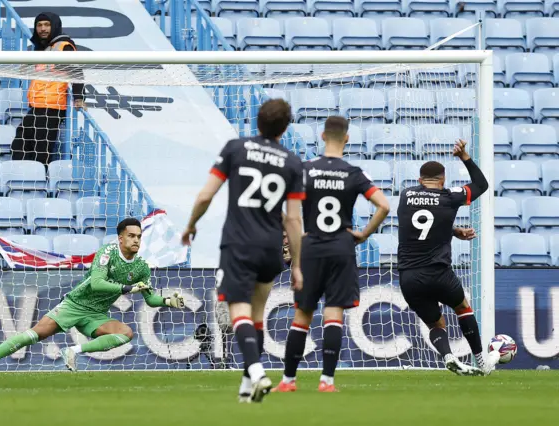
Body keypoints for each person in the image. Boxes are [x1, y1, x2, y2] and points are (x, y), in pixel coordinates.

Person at [181, 99, 305, 403]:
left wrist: (191, 224)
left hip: (238, 244)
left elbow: (205, 195)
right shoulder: (291, 162)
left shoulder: (235, 149)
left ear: (256, 121)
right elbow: (293, 219)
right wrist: (298, 265)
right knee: (258, 314)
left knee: (238, 310)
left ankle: (257, 370)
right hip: (271, 247)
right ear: (285, 129)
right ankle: (248, 386)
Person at [0, 218, 185, 372]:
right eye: (131, 236)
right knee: (36, 334)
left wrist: (168, 301)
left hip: (96, 315)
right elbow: (99, 283)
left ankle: (73, 350)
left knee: (125, 333)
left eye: (139, 236)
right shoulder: (107, 253)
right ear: (120, 238)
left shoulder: (141, 268)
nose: (136, 240)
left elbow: (150, 299)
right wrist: (126, 289)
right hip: (74, 304)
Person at [272, 117, 390, 393]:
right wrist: (364, 234)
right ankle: (327, 381)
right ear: (347, 139)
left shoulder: (305, 170)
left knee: (302, 314)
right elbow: (383, 205)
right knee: (333, 314)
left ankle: (288, 380)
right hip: (341, 247)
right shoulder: (353, 172)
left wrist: (295, 239)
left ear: (323, 136)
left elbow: (282, 206)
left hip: (310, 246)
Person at [396, 139, 498, 375]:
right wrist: (464, 157)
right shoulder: (449, 195)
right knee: (462, 307)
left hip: (409, 277)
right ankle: (482, 360)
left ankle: (448, 355)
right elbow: (481, 185)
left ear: (419, 181)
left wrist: (454, 231)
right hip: (439, 272)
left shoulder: (405, 195)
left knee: (436, 324)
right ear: (442, 181)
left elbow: (422, 220)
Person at [11, 12, 85, 166]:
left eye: (47, 25)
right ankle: (21, 176)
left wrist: (79, 98)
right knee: (21, 141)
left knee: (41, 149)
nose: (42, 29)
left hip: (52, 107)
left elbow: (76, 72)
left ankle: (39, 183)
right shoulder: (42, 48)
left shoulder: (64, 46)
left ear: (55, 26)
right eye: (39, 25)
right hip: (37, 106)